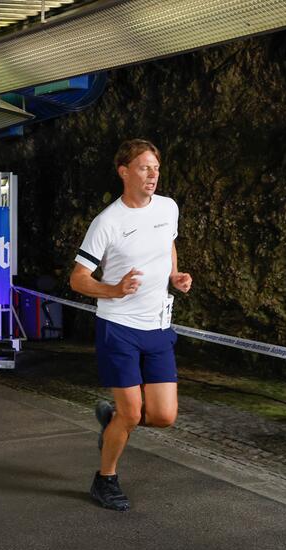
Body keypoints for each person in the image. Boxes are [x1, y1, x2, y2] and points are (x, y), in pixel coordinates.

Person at [69, 139, 193, 512]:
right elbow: (78, 279)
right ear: (124, 172)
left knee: (164, 417)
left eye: (155, 167)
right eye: (144, 167)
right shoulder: (107, 222)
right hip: (118, 327)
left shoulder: (168, 207)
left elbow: (168, 242)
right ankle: (105, 479)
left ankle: (113, 423)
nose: (153, 174)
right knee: (131, 414)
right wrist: (114, 289)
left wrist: (174, 275)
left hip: (157, 326)